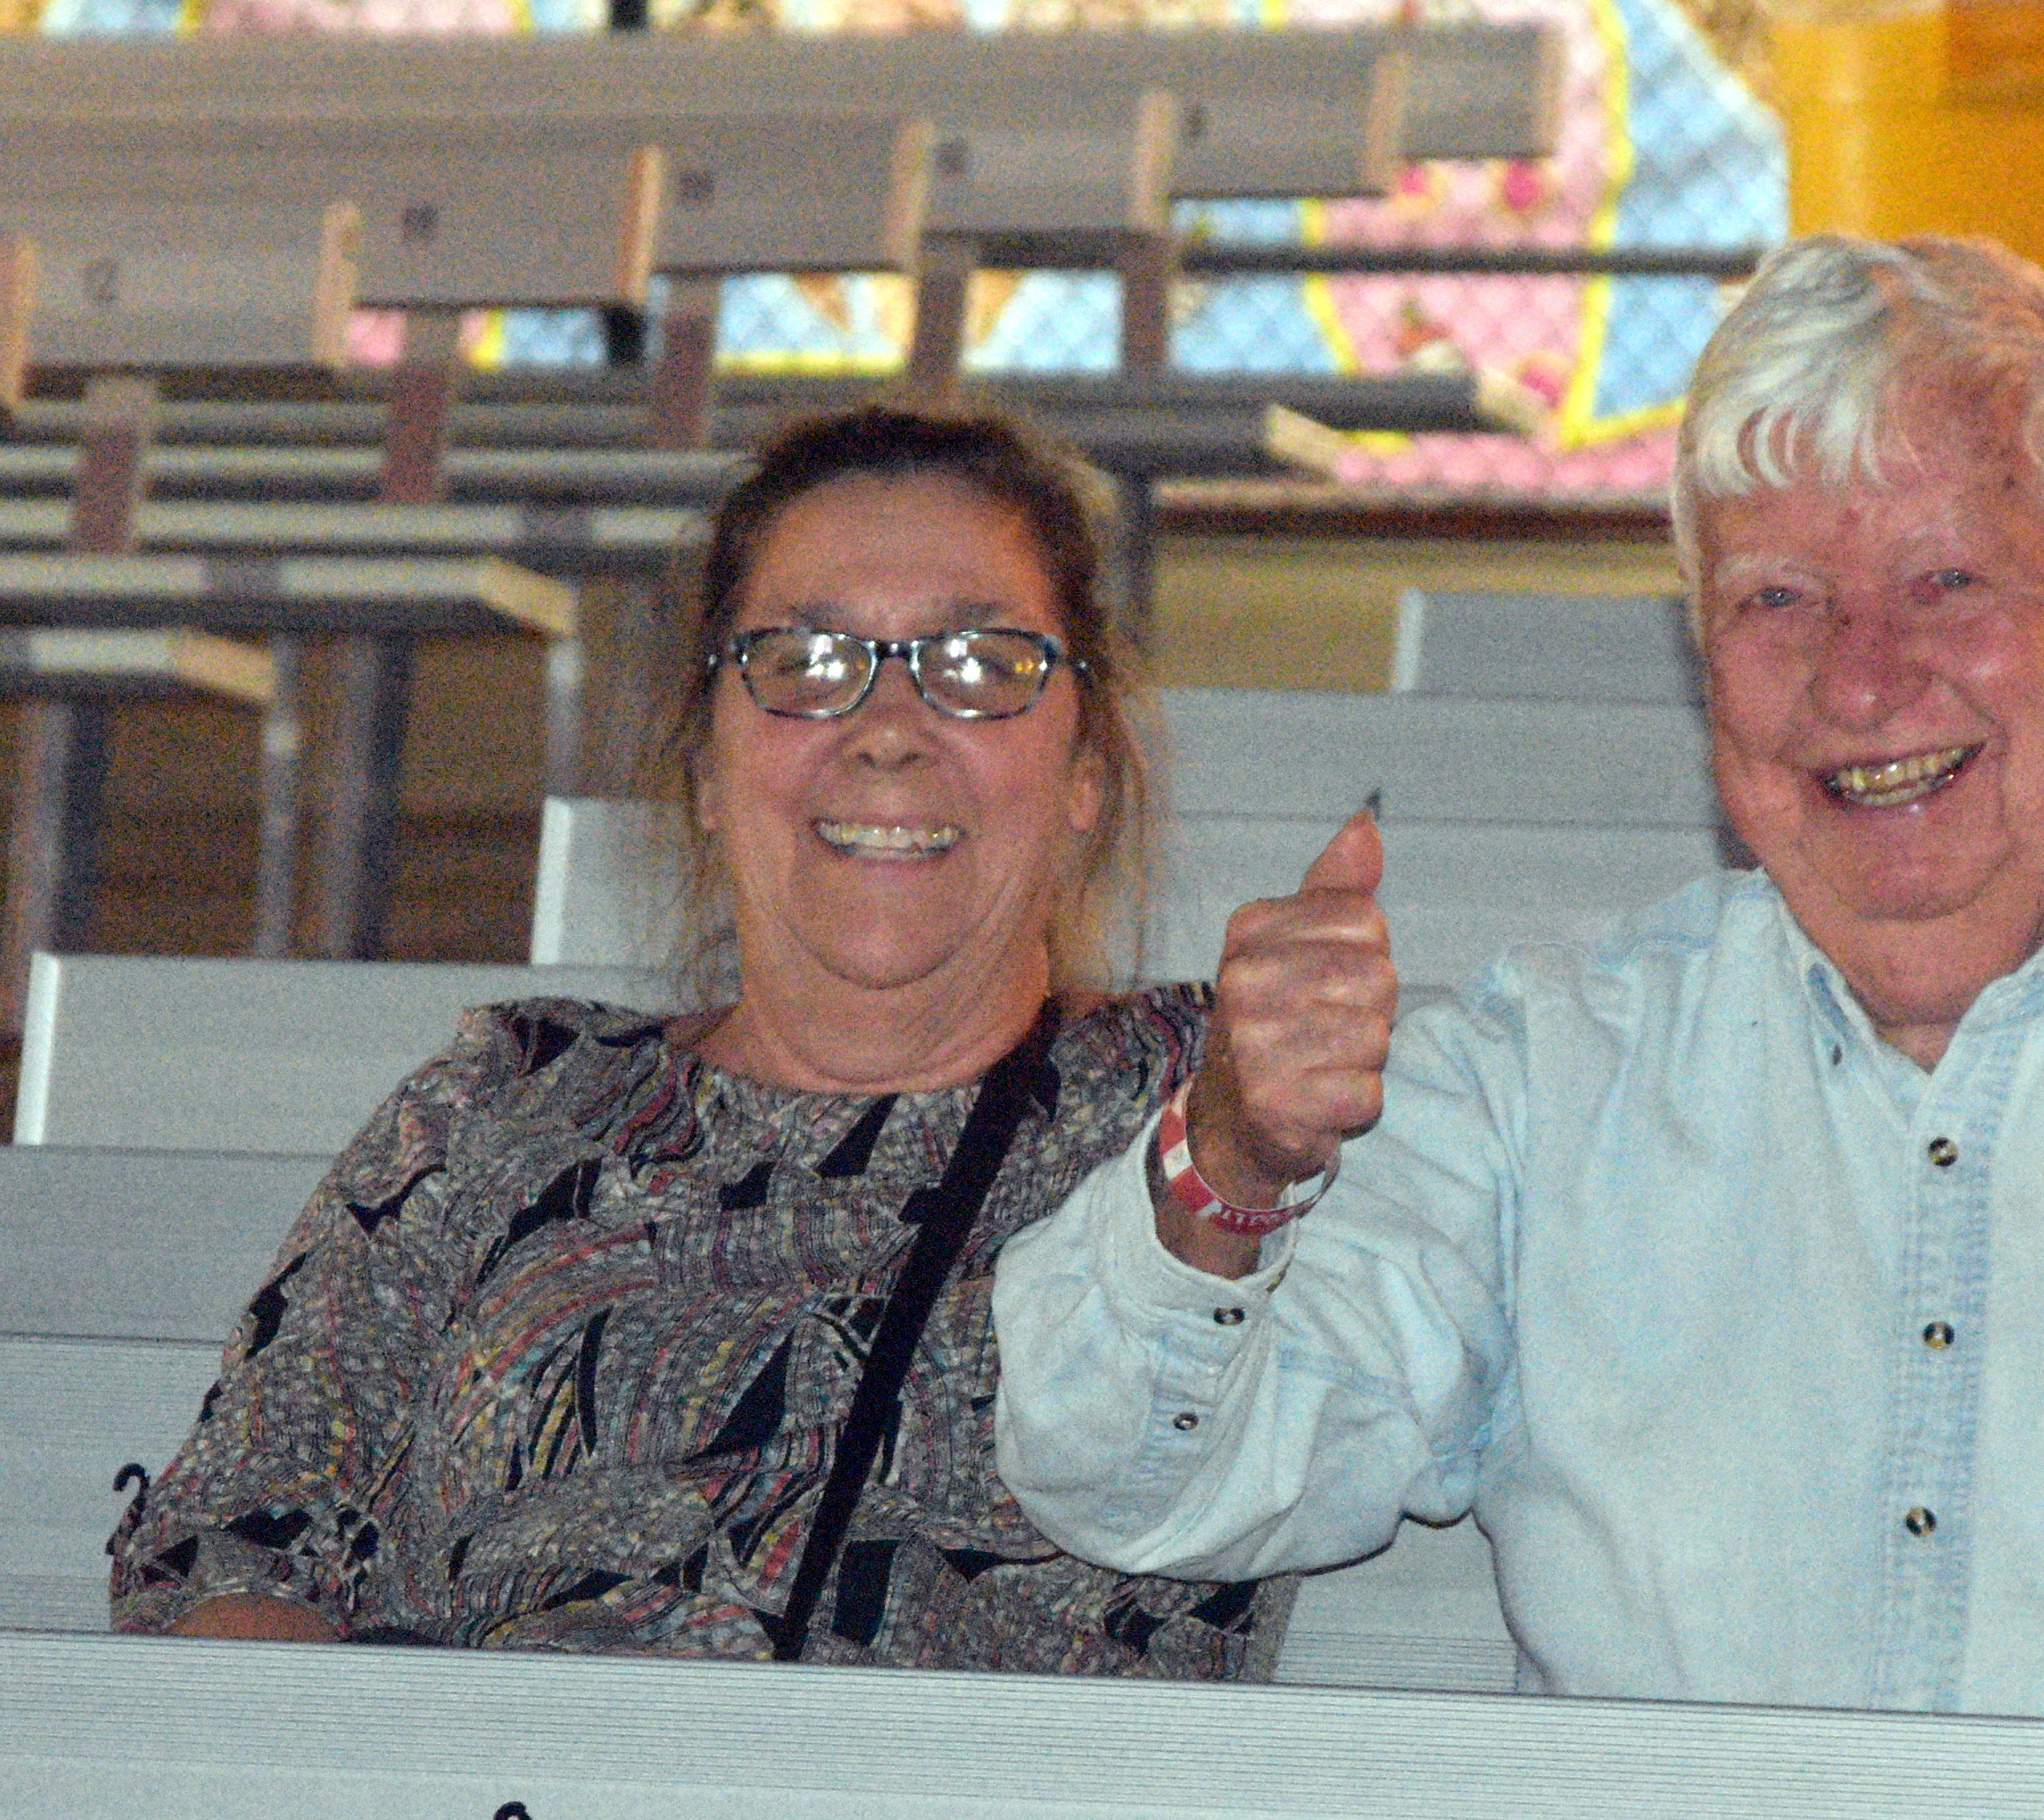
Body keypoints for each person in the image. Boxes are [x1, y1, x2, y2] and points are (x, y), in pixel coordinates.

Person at [991, 236, 2044, 1737]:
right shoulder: (1539, 1078)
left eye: (1946, 580)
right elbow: (1135, 1489)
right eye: (1777, 599)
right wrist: (1230, 1164)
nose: (1861, 681)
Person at [110, 401, 1291, 1676]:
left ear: (1085, 774)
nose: (889, 728)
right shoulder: (505, 1104)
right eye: (806, 660)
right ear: (707, 771)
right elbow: (231, 1553)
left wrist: (1247, 1156)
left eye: (979, 663)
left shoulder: (1219, 1105)